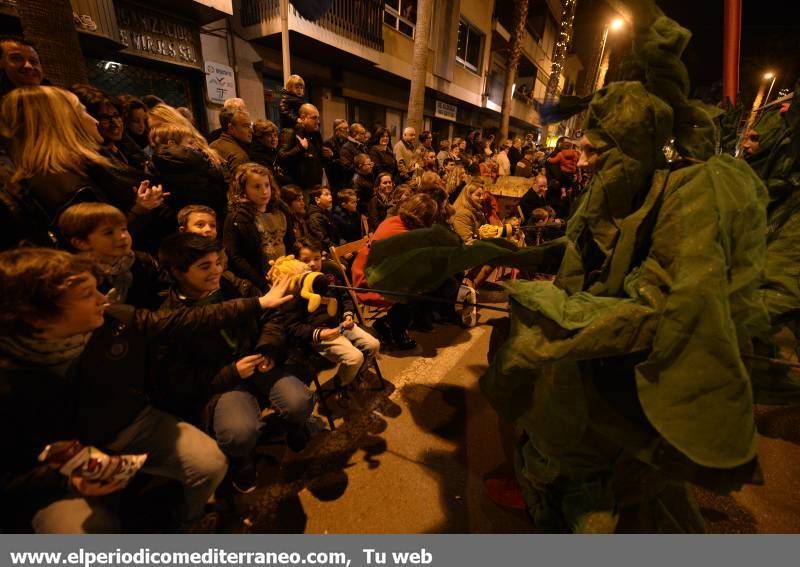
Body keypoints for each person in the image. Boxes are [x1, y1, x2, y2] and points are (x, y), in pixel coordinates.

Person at [0, 247, 293, 533]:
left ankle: (188, 523)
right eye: (87, 294)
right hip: (57, 466)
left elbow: (186, 320)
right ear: (38, 317)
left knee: (210, 463)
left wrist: (259, 303)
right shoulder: (11, 378)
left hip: (128, 423)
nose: (103, 299)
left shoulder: (114, 319)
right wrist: (64, 478)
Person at [156, 233, 318, 492]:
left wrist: (268, 350)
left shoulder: (232, 284)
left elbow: (272, 317)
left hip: (260, 362)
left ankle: (293, 424)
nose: (216, 271)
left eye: (217, 262)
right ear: (178, 272)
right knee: (238, 433)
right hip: (223, 383)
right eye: (205, 266)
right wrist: (232, 371)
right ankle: (241, 459)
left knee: (300, 402)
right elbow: (180, 379)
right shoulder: (171, 317)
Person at [0, 86, 155, 226]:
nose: (95, 121)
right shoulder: (64, 182)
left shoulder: (65, 170)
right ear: (62, 121)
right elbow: (105, 241)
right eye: (82, 111)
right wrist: (139, 210)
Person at [281, 240, 380, 401]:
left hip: (340, 323)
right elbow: (292, 325)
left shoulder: (329, 272)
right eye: (306, 261)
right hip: (318, 334)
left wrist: (348, 315)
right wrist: (320, 333)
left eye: (317, 258)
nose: (313, 264)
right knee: (355, 357)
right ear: (296, 262)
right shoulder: (293, 285)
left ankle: (352, 377)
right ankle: (340, 384)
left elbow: (345, 296)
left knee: (373, 345)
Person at [352, 194, 444, 350]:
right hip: (368, 279)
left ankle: (397, 323)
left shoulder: (396, 221)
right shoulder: (405, 235)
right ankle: (392, 328)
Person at [57, 202, 164, 310]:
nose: (123, 236)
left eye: (123, 229)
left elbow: (163, 292)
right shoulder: (80, 277)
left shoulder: (142, 260)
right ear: (81, 243)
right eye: (109, 233)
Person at [224, 163, 288, 291]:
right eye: (257, 187)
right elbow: (235, 257)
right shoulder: (237, 218)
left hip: (284, 275)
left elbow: (289, 243)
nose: (264, 191)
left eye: (267, 185)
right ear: (243, 190)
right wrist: (262, 283)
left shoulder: (280, 211)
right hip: (258, 281)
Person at [148, 122, 227, 222]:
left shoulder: (153, 168)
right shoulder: (193, 164)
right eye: (190, 143)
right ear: (171, 144)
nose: (196, 147)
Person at [278, 103, 331, 191]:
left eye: (318, 118)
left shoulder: (314, 134)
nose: (318, 121)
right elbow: (282, 157)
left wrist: (326, 156)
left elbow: (316, 161)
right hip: (298, 189)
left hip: (315, 187)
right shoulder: (290, 132)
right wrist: (300, 148)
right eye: (314, 118)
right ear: (302, 118)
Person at [209, 107, 252, 176]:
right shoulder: (238, 155)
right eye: (246, 126)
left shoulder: (212, 145)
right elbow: (239, 185)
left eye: (250, 125)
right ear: (231, 128)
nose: (251, 130)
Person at [249, 119, 287, 184]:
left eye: (275, 135)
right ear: (259, 138)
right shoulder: (257, 156)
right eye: (269, 136)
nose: (274, 139)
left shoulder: (273, 150)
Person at [306, 186, 340, 250]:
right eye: (326, 194)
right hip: (324, 251)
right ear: (317, 199)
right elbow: (323, 239)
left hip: (334, 247)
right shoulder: (315, 216)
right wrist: (340, 250)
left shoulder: (325, 212)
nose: (330, 196)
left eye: (330, 194)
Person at [324, 118, 350, 191]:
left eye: (348, 128)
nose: (347, 131)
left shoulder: (348, 142)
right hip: (335, 178)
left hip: (347, 178)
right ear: (337, 130)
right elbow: (328, 163)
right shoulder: (328, 143)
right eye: (345, 128)